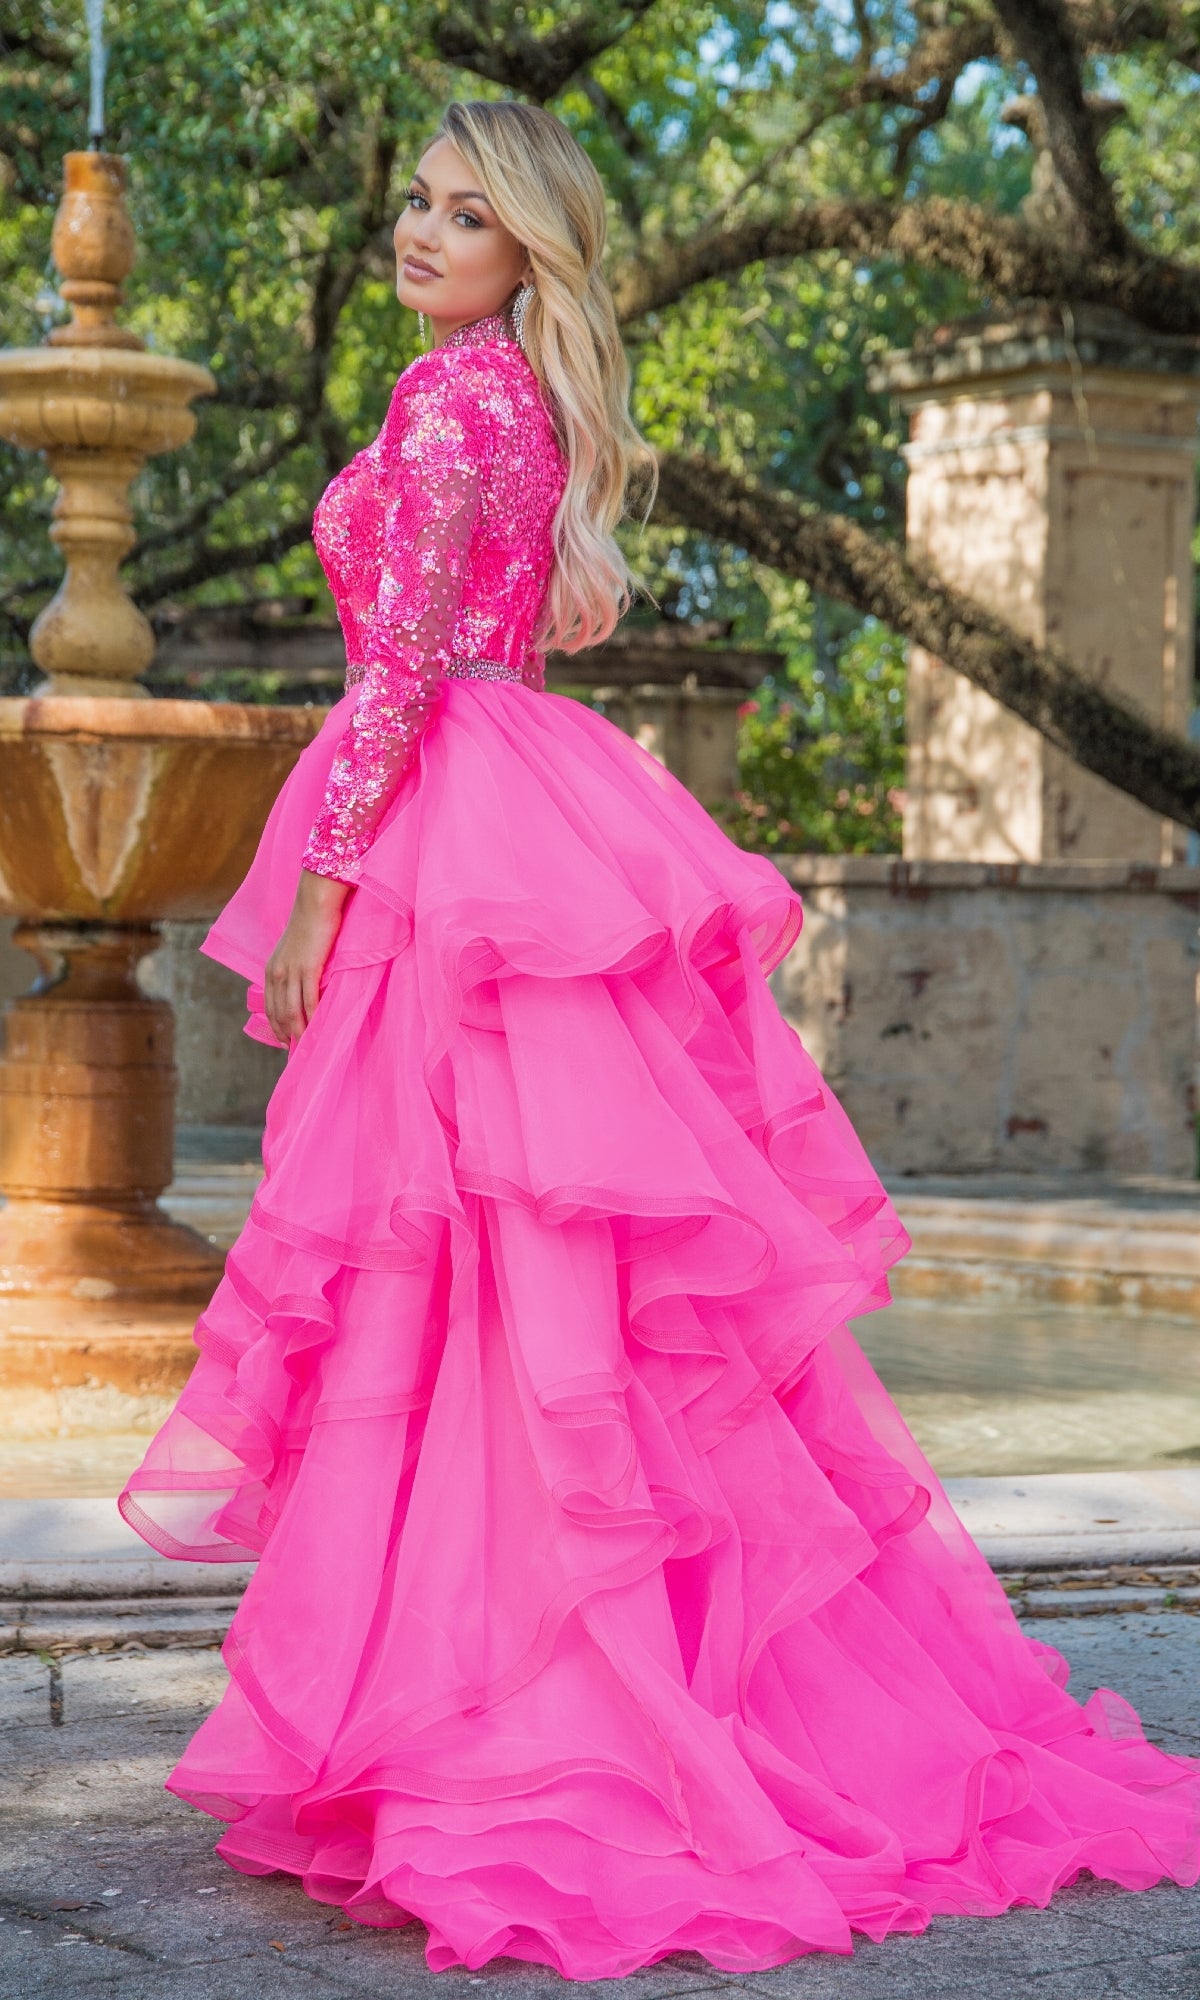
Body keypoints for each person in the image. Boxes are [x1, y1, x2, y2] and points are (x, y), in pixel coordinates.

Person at [118, 97, 1200, 1980]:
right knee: (519, 1282)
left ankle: (534, 1725)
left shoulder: (462, 401)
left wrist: (320, 886)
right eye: (419, 203)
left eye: (467, 214)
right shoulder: (504, 397)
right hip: (504, 793)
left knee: (474, 1269)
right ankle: (535, 1694)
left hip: (443, 818)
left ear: (529, 248)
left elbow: (395, 671)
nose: (423, 232)